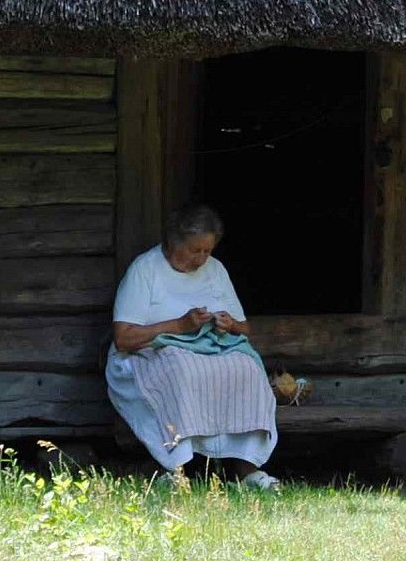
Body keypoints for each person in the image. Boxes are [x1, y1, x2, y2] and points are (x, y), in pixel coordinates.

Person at [107, 202, 280, 488]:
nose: (201, 259)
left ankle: (247, 469)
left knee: (246, 368)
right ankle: (176, 469)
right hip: (149, 352)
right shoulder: (145, 269)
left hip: (211, 348)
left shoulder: (216, 270)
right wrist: (178, 326)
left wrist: (229, 325)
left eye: (207, 251)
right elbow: (123, 338)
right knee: (182, 369)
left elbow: (244, 328)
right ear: (173, 243)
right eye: (194, 250)